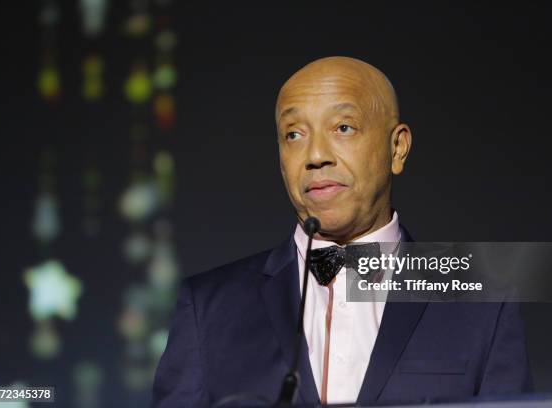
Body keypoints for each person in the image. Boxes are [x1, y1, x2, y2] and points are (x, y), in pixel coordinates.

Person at [151, 56, 532, 407]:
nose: (316, 155)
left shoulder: (483, 301)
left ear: (397, 149)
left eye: (343, 127)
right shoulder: (208, 308)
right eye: (294, 134)